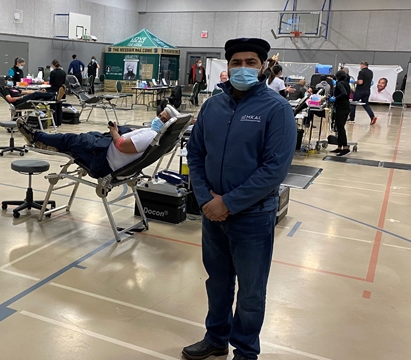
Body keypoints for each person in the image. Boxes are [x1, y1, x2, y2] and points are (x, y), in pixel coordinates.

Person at [183, 38, 296, 360]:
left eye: (250, 62)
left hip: (253, 216)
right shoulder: (212, 106)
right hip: (211, 213)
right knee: (217, 283)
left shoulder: (276, 109)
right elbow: (195, 153)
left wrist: (228, 203)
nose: (243, 68)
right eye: (236, 62)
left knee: (250, 291)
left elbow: (275, 169)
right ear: (227, 66)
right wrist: (206, 199)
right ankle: (216, 338)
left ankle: (246, 352)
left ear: (263, 67)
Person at [17, 105, 180, 178]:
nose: (158, 118)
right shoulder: (160, 139)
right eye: (159, 115)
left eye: (162, 118)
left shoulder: (151, 136)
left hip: (101, 159)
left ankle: (35, 137)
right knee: (88, 135)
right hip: (106, 151)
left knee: (70, 139)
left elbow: (121, 145)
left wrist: (115, 132)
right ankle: (48, 143)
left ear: (167, 125)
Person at [330, 70, 352, 156]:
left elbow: (344, 93)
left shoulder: (339, 84)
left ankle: (345, 148)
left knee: (340, 127)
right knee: (338, 127)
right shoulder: (346, 83)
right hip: (345, 106)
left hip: (342, 107)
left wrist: (335, 98)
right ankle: (339, 147)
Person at [49, 59, 67, 126]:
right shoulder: (63, 72)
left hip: (54, 90)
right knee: (59, 106)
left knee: (53, 106)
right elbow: (64, 82)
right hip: (61, 90)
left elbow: (51, 83)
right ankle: (59, 121)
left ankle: (54, 122)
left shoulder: (53, 72)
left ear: (53, 65)